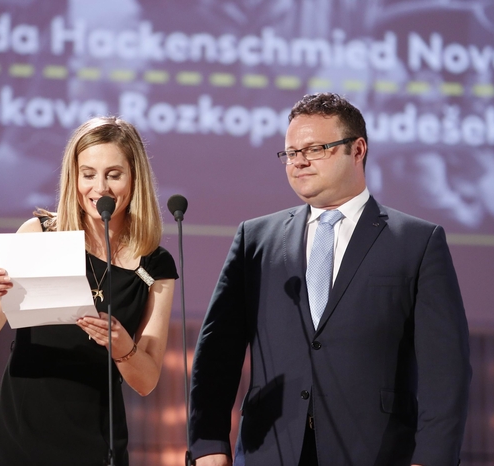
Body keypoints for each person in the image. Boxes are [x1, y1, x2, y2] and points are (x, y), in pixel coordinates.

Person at [188, 93, 471, 466]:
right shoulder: (256, 239)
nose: (299, 161)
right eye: (291, 152)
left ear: (357, 150)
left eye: (315, 149)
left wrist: (432, 458)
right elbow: (217, 351)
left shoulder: (416, 242)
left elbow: (446, 370)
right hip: (269, 450)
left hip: (376, 452)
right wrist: (208, 443)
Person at [0, 116, 178, 466]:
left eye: (114, 174)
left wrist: (123, 347)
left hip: (97, 440)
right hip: (21, 435)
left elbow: (147, 381)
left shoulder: (154, 265)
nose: (100, 188)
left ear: (134, 178)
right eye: (88, 174)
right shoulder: (39, 234)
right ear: (73, 177)